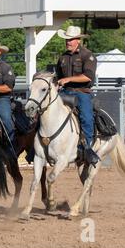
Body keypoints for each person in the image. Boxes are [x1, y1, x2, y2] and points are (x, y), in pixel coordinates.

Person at [56, 25, 99, 165]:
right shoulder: (62, 57)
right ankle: (38, 145)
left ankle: (86, 147)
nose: (68, 42)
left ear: (78, 40)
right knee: (45, 109)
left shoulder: (87, 55)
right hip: (64, 92)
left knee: (86, 117)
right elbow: (58, 77)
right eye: (67, 39)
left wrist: (69, 79)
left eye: (71, 39)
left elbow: (88, 77)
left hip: (82, 93)